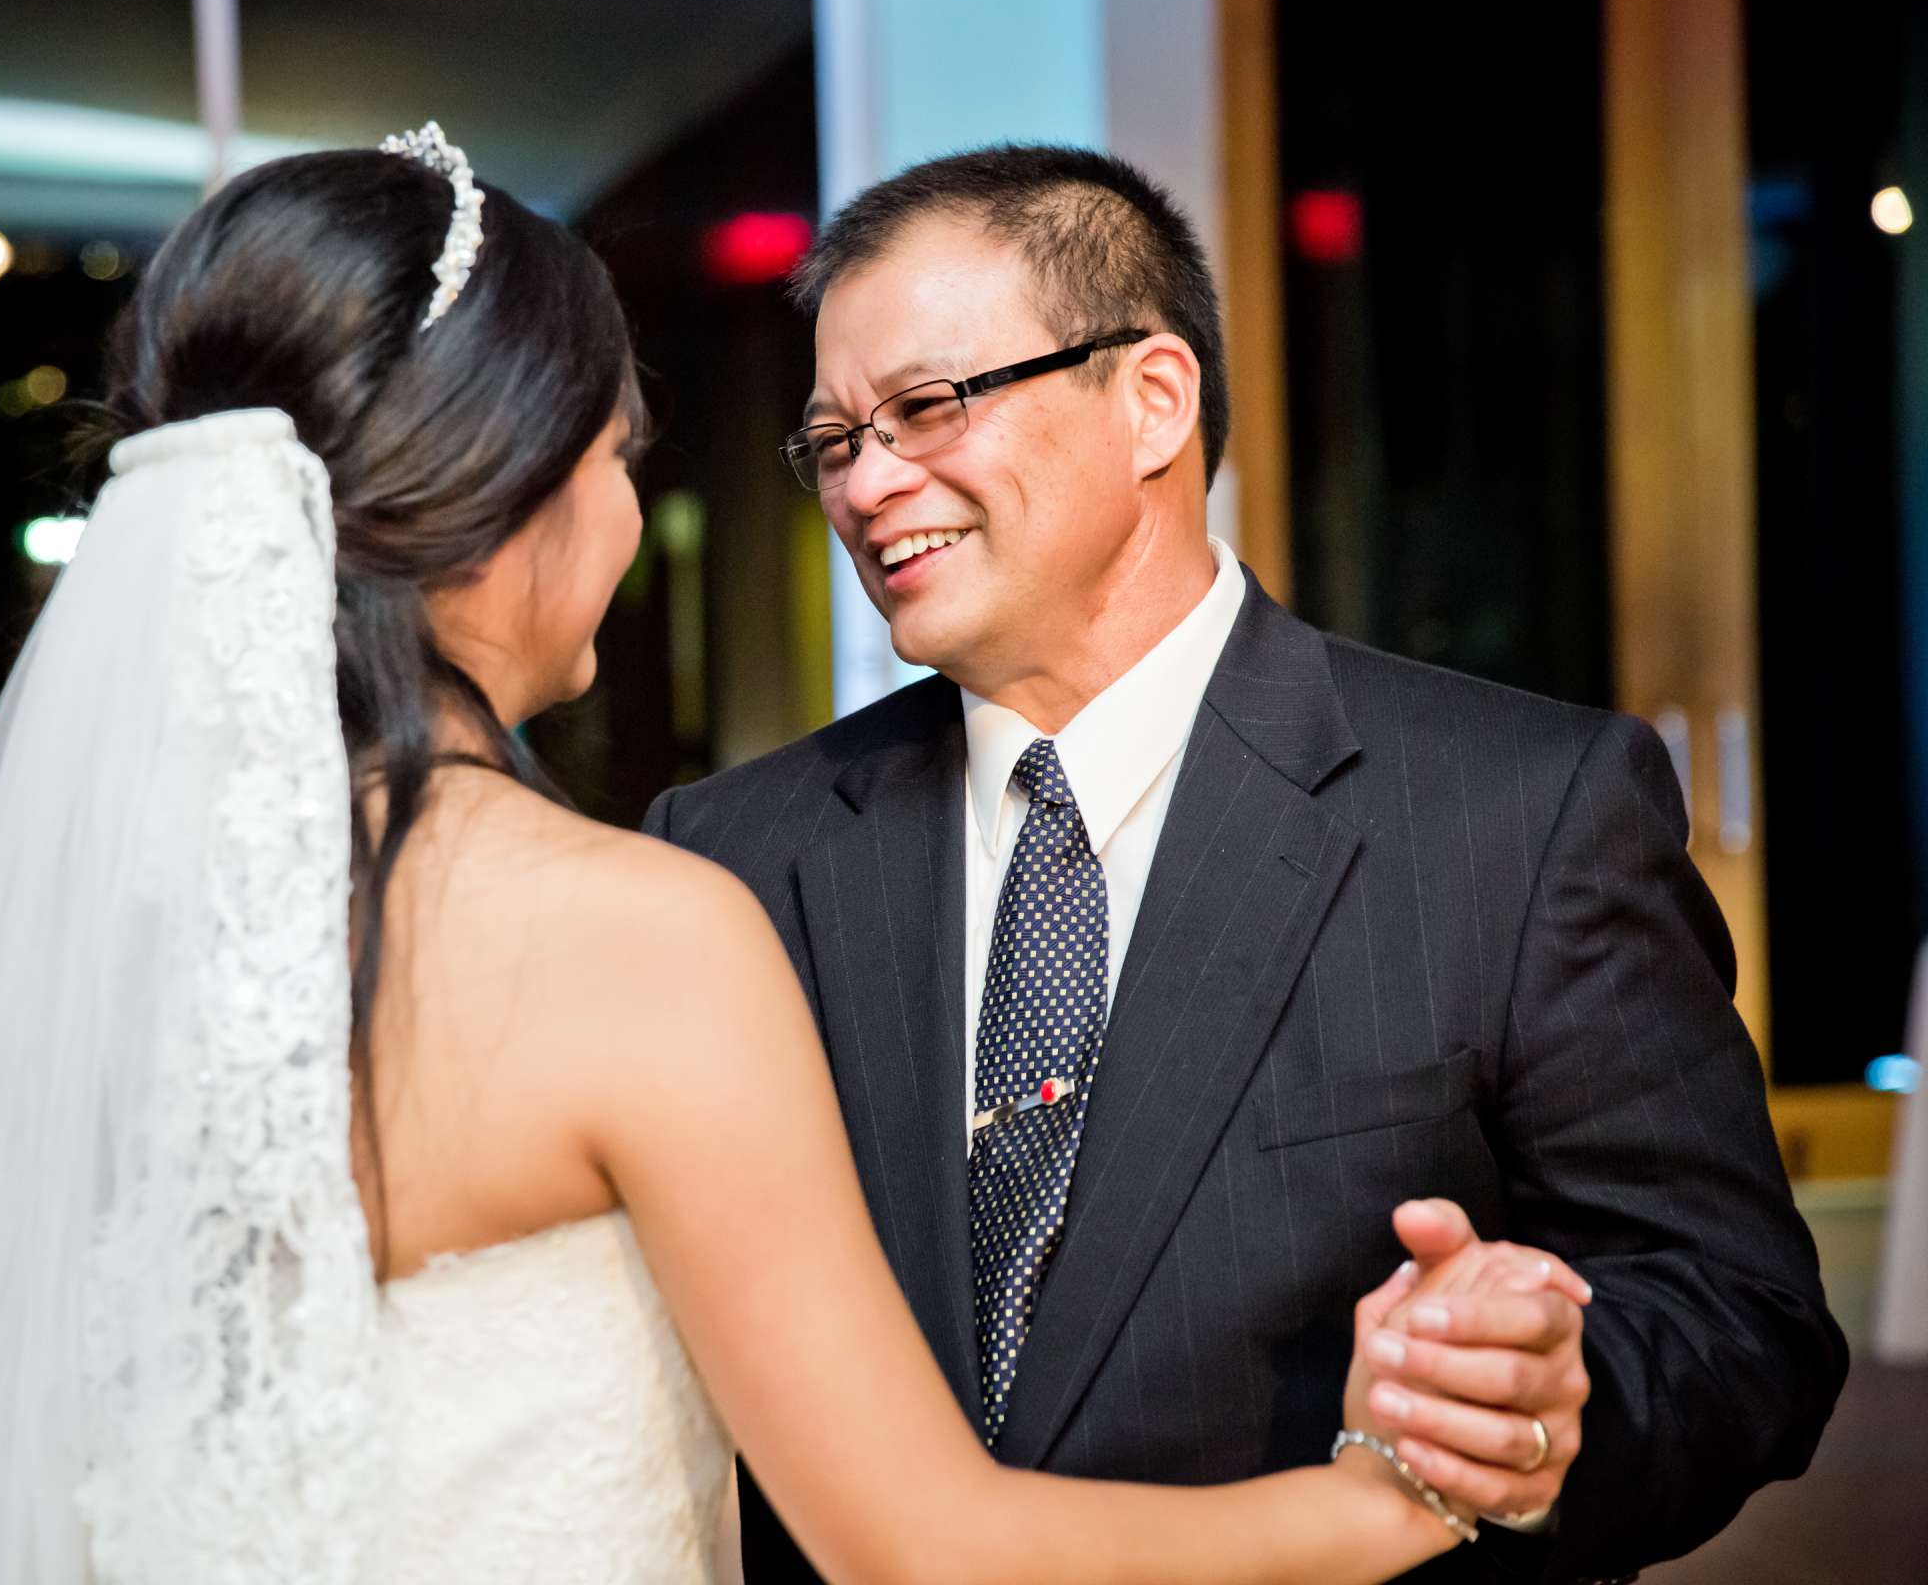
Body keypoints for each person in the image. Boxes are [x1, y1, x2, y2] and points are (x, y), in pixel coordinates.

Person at [0, 128, 1585, 1584]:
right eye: (635, 450)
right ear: (522, 482)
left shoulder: (115, 937)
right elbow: (925, 1546)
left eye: (923, 413)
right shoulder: (649, 919)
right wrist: (1401, 1493)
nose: (861, 484)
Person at [644, 143, 1848, 1584]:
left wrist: (1546, 1401)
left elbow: (1740, 1314)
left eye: (924, 407)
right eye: (834, 439)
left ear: (1153, 399)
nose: (867, 481)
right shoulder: (729, 856)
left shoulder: (1516, 812)